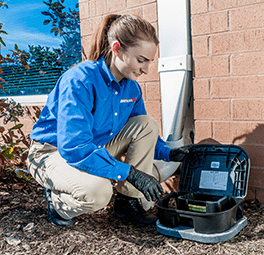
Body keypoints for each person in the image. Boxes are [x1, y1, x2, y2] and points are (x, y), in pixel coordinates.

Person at [27, 14, 191, 227]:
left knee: (146, 124)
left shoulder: (131, 88)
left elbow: (141, 130)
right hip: (51, 152)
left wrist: (169, 153)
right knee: (98, 192)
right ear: (117, 49)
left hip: (92, 148)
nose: (146, 70)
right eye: (141, 60)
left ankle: (128, 202)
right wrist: (130, 173)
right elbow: (74, 147)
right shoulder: (80, 81)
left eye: (149, 62)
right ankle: (58, 203)